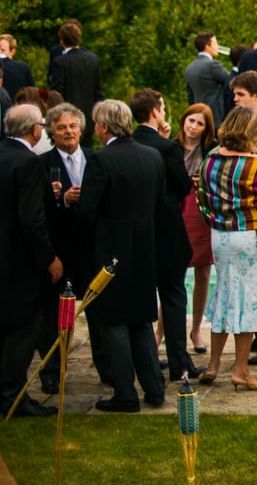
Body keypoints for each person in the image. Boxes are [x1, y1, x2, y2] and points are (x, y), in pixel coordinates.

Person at [78, 99, 172, 411]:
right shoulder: (152, 156)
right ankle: (154, 389)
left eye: (96, 123)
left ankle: (125, 394)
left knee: (113, 322)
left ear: (104, 126)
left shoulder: (101, 160)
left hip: (110, 251)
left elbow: (86, 211)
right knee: (142, 319)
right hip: (144, 247)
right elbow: (161, 202)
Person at [196, 106, 257, 393]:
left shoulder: (210, 159)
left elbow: (202, 196)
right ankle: (241, 370)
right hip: (248, 238)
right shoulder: (255, 164)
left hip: (219, 235)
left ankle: (212, 364)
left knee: (223, 294)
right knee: (248, 302)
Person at [127, 89, 197, 382]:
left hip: (136, 233)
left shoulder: (127, 145)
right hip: (166, 230)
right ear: (155, 112)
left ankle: (142, 360)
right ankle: (179, 360)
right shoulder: (167, 148)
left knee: (141, 297)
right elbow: (182, 186)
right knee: (173, 295)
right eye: (163, 107)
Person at [0, 104, 63, 418]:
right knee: (23, 330)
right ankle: (13, 397)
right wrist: (49, 258)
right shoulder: (28, 162)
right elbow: (31, 219)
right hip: (20, 261)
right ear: (35, 129)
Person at [37, 103, 103, 392]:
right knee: (55, 314)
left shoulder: (95, 159)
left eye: (73, 126)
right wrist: (61, 199)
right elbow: (36, 212)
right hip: (60, 249)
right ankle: (52, 371)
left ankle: (107, 367)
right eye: (62, 127)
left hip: (91, 247)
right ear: (52, 130)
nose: (68, 131)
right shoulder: (41, 163)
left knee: (98, 310)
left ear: (81, 128)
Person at [177, 104, 218, 355]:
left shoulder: (211, 150)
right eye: (190, 120)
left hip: (201, 211)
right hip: (179, 209)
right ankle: (164, 329)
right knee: (175, 274)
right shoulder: (171, 146)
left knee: (203, 272)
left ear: (206, 128)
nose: (193, 126)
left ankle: (196, 329)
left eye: (199, 123)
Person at [47, 21, 103, 143]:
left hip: (67, 120)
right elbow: (98, 91)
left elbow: (57, 93)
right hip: (88, 118)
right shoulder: (93, 59)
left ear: (62, 41)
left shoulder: (60, 62)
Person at [185, 32, 231, 112]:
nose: (217, 47)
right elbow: (232, 82)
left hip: (198, 114)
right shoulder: (213, 65)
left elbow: (190, 98)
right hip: (215, 115)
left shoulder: (189, 68)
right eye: (215, 43)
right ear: (207, 46)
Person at [0, 34, 36, 100]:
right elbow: (32, 94)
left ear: (12, 51)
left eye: (2, 50)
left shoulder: (23, 69)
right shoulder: (24, 68)